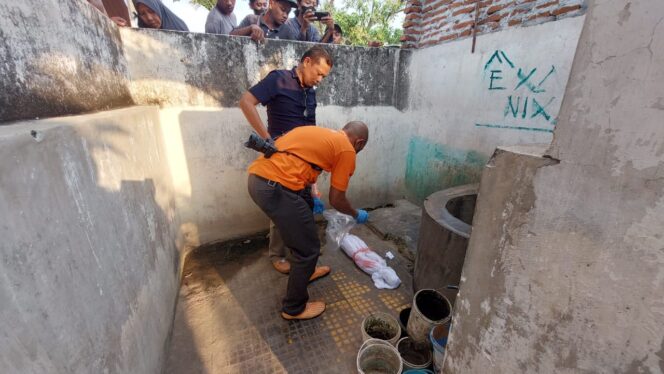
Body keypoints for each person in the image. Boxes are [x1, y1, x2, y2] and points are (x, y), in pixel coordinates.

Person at [247, 122, 370, 319]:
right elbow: (337, 199)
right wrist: (356, 214)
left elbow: (300, 161)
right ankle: (293, 308)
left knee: (303, 234)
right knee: (308, 249)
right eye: (359, 150)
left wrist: (311, 196)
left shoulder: (319, 133)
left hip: (259, 181)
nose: (356, 153)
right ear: (359, 142)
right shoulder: (347, 149)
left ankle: (306, 273)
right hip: (276, 188)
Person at [239, 46, 333, 274]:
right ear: (307, 61)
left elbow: (311, 131)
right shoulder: (279, 79)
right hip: (279, 160)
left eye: (324, 77)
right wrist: (267, 139)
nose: (319, 80)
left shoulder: (310, 92)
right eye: (318, 73)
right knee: (281, 208)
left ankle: (302, 252)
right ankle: (277, 255)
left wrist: (314, 180)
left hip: (302, 162)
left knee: (303, 207)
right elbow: (246, 101)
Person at [232, 0, 297, 43]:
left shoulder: (287, 30)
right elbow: (229, 37)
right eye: (283, 9)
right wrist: (250, 28)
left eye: (288, 12)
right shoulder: (251, 19)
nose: (285, 16)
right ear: (271, 3)